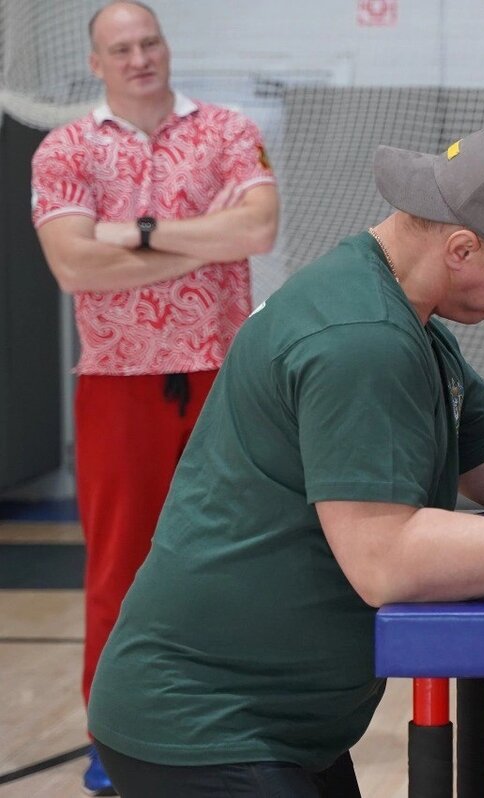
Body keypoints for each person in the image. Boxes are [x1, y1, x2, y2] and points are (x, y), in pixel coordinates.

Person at [84, 125, 484, 797]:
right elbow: (386, 560)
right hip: (206, 726)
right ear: (462, 248)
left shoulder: (402, 315)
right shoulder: (364, 340)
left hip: (271, 724)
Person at [29, 2, 279, 793]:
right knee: (118, 567)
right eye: (122, 48)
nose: (141, 58)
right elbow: (72, 266)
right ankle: (112, 735)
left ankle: (241, 724)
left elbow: (258, 231)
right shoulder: (64, 148)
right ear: (96, 63)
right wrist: (194, 235)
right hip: (118, 380)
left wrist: (129, 233)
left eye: (151, 42)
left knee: (240, 557)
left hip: (222, 374)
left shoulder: (226, 130)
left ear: (166, 49)